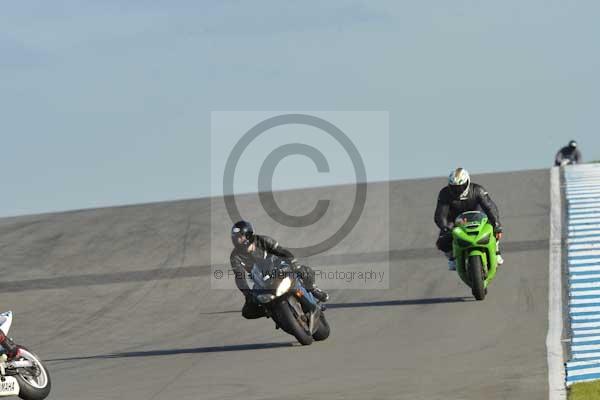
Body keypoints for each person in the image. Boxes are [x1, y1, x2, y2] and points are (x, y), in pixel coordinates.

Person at [230, 220, 329, 319]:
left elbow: (282, 251)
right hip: (261, 281)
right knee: (247, 312)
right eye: (235, 238)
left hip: (279, 268)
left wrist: (293, 263)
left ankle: (313, 289)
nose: (237, 240)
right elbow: (239, 276)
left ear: (248, 235)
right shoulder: (235, 256)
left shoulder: (262, 240)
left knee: (303, 270)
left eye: (240, 237)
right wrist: (247, 293)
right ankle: (271, 312)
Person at [434, 168, 504, 270]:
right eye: (454, 187)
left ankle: (496, 251)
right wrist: (445, 228)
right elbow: (440, 214)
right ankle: (452, 258)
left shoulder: (478, 190)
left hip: (478, 216)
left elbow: (490, 207)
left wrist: (497, 225)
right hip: (454, 219)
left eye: (461, 186)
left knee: (493, 226)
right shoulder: (444, 194)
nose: (458, 190)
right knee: (442, 241)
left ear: (467, 182)